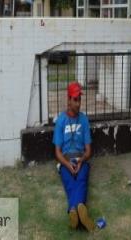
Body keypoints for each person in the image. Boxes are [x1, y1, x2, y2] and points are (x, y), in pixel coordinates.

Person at [52, 82, 95, 231]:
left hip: (81, 159)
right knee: (70, 182)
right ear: (69, 99)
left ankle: (73, 210)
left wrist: (82, 160)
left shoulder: (84, 120)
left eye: (79, 100)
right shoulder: (60, 122)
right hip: (65, 160)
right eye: (75, 100)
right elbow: (57, 152)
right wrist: (67, 164)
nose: (78, 103)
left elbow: (89, 150)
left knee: (81, 179)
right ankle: (80, 208)